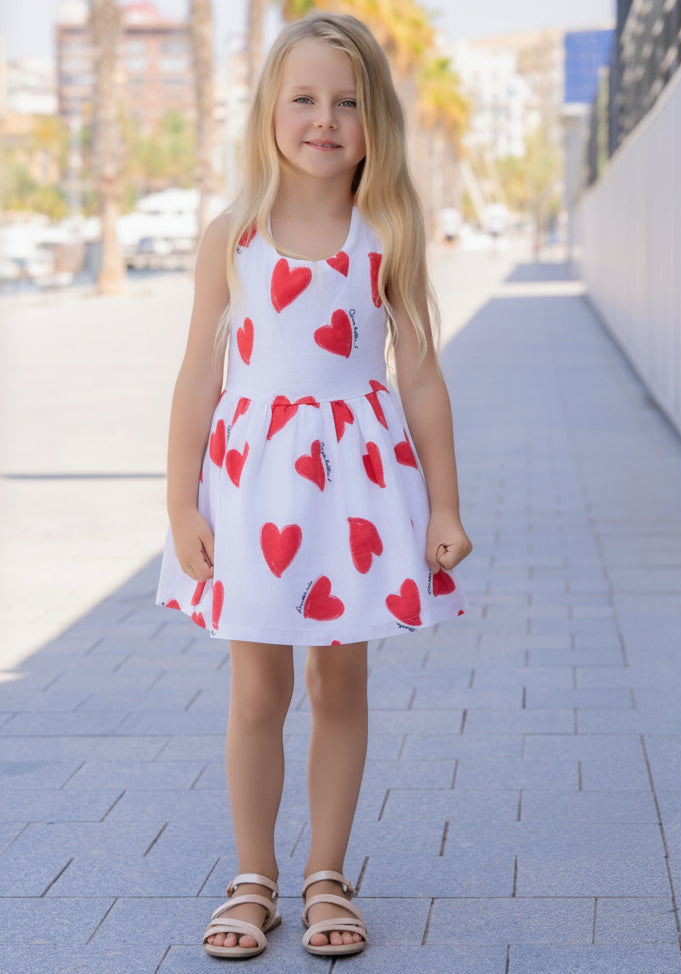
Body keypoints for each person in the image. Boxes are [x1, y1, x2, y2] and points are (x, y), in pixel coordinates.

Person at [156, 11, 473, 960]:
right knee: (257, 688)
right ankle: (253, 875)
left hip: (355, 495)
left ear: (377, 121)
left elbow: (419, 374)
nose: (324, 118)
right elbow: (196, 379)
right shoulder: (233, 236)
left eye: (348, 101)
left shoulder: (386, 232)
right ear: (269, 111)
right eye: (304, 98)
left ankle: (327, 873)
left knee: (340, 682)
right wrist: (180, 503)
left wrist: (446, 504)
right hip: (253, 489)